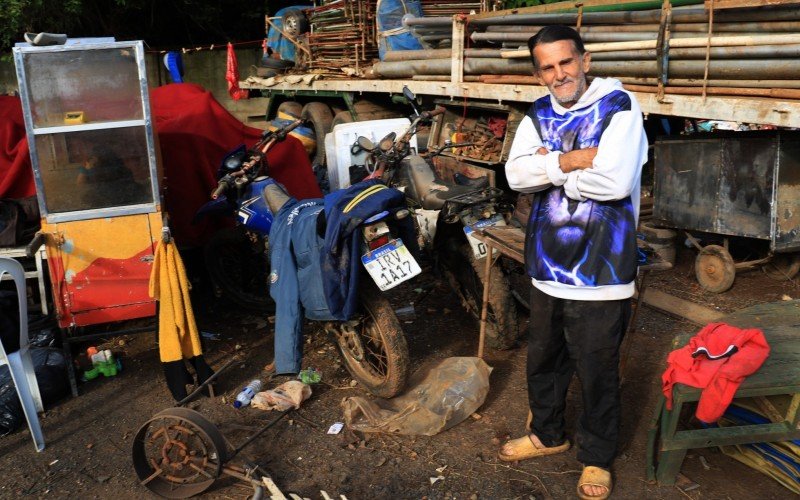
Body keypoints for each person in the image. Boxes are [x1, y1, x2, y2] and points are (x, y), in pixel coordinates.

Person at [500, 26, 648, 499]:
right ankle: (547, 434)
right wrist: (571, 162)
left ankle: (597, 458)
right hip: (547, 266)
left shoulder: (619, 108)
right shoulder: (537, 114)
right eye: (548, 66)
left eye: (566, 62)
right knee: (544, 361)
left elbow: (616, 182)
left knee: (598, 370)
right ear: (538, 73)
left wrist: (551, 169)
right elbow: (515, 176)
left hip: (601, 272)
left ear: (585, 59)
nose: (559, 74)